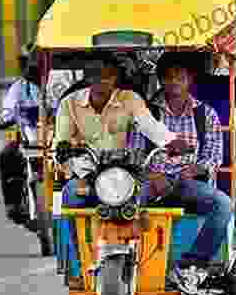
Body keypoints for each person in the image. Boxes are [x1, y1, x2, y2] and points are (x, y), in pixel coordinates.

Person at [128, 53, 231, 268]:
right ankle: (128, 258)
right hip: (152, 182)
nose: (174, 82)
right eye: (169, 77)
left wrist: (196, 169)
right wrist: (153, 176)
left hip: (187, 183)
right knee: (126, 204)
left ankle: (193, 262)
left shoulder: (205, 114)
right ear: (161, 79)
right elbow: (134, 156)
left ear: (190, 79)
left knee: (223, 204)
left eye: (180, 77)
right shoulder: (147, 113)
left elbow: (213, 156)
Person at [53, 52, 190, 206]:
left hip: (124, 174)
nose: (102, 80)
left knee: (145, 201)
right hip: (86, 175)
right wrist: (63, 150)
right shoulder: (68, 103)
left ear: (116, 78)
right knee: (71, 196)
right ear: (88, 78)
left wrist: (172, 141)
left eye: (108, 75)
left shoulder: (130, 98)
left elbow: (149, 125)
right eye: (97, 75)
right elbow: (61, 141)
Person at [0, 51, 41, 223]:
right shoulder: (18, 88)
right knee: (7, 156)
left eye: (32, 63)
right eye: (25, 64)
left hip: (55, 138)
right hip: (29, 138)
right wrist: (2, 120)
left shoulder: (56, 82)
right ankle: (13, 203)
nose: (29, 68)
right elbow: (8, 111)